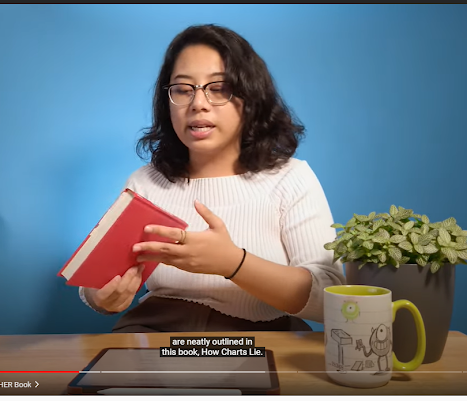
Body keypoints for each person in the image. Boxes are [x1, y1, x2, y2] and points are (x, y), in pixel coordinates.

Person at [79, 24, 345, 333]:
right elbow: (93, 281)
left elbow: (331, 298)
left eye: (219, 88)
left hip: (261, 339)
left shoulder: (291, 179)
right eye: (182, 89)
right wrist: (102, 297)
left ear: (251, 98)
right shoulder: (145, 183)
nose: (198, 103)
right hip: (155, 335)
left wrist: (233, 263)